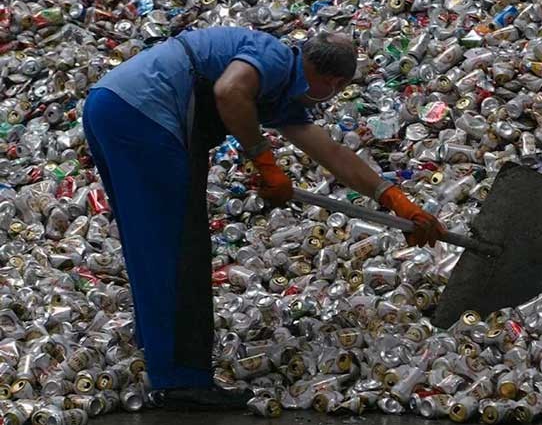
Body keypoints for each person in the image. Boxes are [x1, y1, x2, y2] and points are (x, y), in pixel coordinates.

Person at [82, 27, 445, 410]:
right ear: (335, 83)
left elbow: (333, 154)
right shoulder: (272, 56)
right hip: (146, 116)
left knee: (149, 240)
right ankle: (179, 380)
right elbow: (228, 92)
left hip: (110, 106)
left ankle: (157, 348)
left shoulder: (281, 88)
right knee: (177, 248)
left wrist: (395, 200)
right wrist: (265, 161)